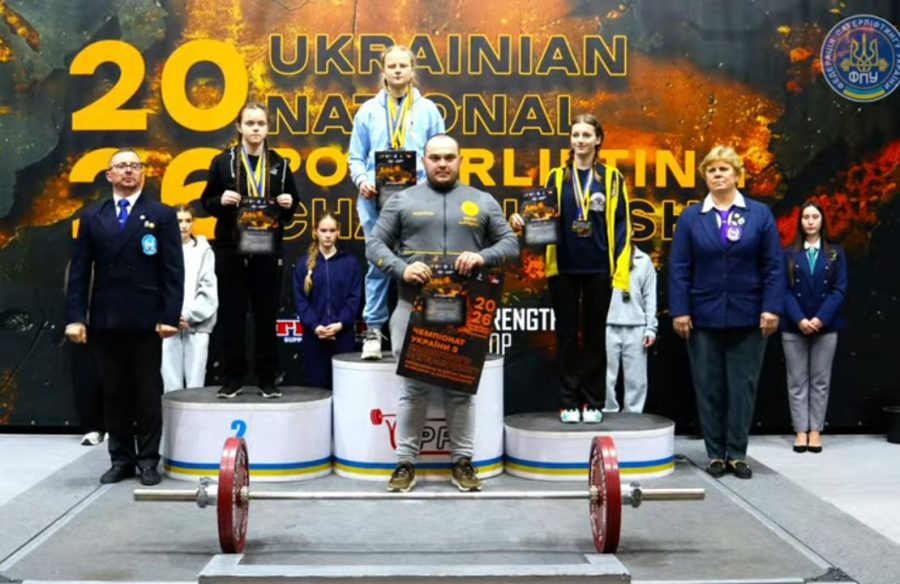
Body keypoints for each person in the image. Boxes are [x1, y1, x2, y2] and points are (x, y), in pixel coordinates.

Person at [366, 134, 518, 492]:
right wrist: (402, 268)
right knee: (412, 390)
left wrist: (482, 257)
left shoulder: (481, 200)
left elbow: (510, 244)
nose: (442, 163)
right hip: (412, 307)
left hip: (465, 310)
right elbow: (373, 244)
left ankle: (463, 462)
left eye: (449, 157)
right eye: (435, 157)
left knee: (461, 391)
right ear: (424, 161)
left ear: (461, 160)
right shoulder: (402, 200)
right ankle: (405, 463)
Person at [65, 149, 183, 485]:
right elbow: (79, 272)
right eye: (122, 166)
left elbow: (173, 271)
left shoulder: (160, 215)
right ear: (109, 175)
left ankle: (148, 460)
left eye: (134, 166)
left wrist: (169, 315)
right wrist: (76, 317)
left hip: (146, 319)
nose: (129, 171)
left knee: (147, 393)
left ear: (143, 173)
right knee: (113, 392)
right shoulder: (92, 216)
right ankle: (121, 459)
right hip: (106, 319)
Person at [669, 145, 784, 480]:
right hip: (702, 316)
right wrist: (680, 311)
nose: (717, 175)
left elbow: (773, 266)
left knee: (742, 387)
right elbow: (679, 268)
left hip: (749, 315)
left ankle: (737, 453)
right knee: (708, 387)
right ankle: (715, 454)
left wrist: (771, 307)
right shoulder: (692, 217)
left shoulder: (759, 214)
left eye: (724, 169)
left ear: (737, 175)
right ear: (705, 176)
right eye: (712, 170)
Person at [510, 114, 632, 424]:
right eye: (576, 134)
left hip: (599, 267)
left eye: (587, 135)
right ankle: (567, 402)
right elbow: (540, 215)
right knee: (565, 336)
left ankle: (592, 401)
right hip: (563, 266)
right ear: (570, 140)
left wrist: (619, 270)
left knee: (594, 337)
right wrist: (522, 220)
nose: (580, 140)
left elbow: (623, 227)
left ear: (598, 139)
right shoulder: (556, 176)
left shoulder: (611, 178)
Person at [349, 45, 446, 360]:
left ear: (412, 70)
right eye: (392, 65)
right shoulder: (368, 111)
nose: (398, 70)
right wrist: (362, 180)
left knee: (421, 264)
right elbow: (355, 157)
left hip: (418, 200)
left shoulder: (428, 110)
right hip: (376, 201)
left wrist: (430, 186)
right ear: (384, 70)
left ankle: (422, 332)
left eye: (403, 65)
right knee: (378, 263)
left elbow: (441, 152)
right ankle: (374, 330)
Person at [200, 101, 300, 399]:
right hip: (231, 249)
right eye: (250, 123)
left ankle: (267, 379)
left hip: (266, 249)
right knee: (232, 314)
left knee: (266, 315)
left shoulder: (280, 164)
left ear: (268, 128)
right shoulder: (223, 162)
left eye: (260, 124)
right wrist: (221, 201)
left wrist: (288, 204)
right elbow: (206, 202)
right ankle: (232, 379)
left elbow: (293, 206)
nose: (256, 129)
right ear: (239, 127)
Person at [782, 200, 847, 453]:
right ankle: (800, 430)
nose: (810, 221)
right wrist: (800, 319)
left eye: (815, 217)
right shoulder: (789, 253)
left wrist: (821, 318)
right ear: (800, 221)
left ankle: (816, 431)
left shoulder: (835, 252)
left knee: (820, 380)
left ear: (822, 221)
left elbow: (839, 289)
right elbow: (784, 290)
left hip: (825, 326)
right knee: (796, 380)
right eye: (806, 217)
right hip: (794, 325)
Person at [292, 212, 362, 389]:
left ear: (338, 232)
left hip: (343, 337)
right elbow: (300, 301)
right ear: (315, 232)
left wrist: (340, 323)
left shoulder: (351, 263)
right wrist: (315, 326)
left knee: (345, 390)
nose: (328, 235)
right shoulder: (303, 265)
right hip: (314, 339)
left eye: (332, 230)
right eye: (323, 230)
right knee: (317, 391)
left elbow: (355, 298)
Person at [161, 205, 218, 392]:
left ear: (193, 223)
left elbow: (208, 287)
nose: (183, 226)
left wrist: (189, 315)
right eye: (179, 221)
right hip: (168, 327)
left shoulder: (203, 250)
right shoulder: (161, 251)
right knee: (171, 386)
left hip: (197, 327)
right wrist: (170, 315)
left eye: (187, 221)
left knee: (195, 386)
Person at [605, 243, 657, 413]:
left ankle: (634, 416)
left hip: (636, 324)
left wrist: (650, 328)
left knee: (636, 379)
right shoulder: (605, 256)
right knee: (606, 377)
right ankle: (608, 411)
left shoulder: (644, 260)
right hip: (607, 324)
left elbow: (650, 296)